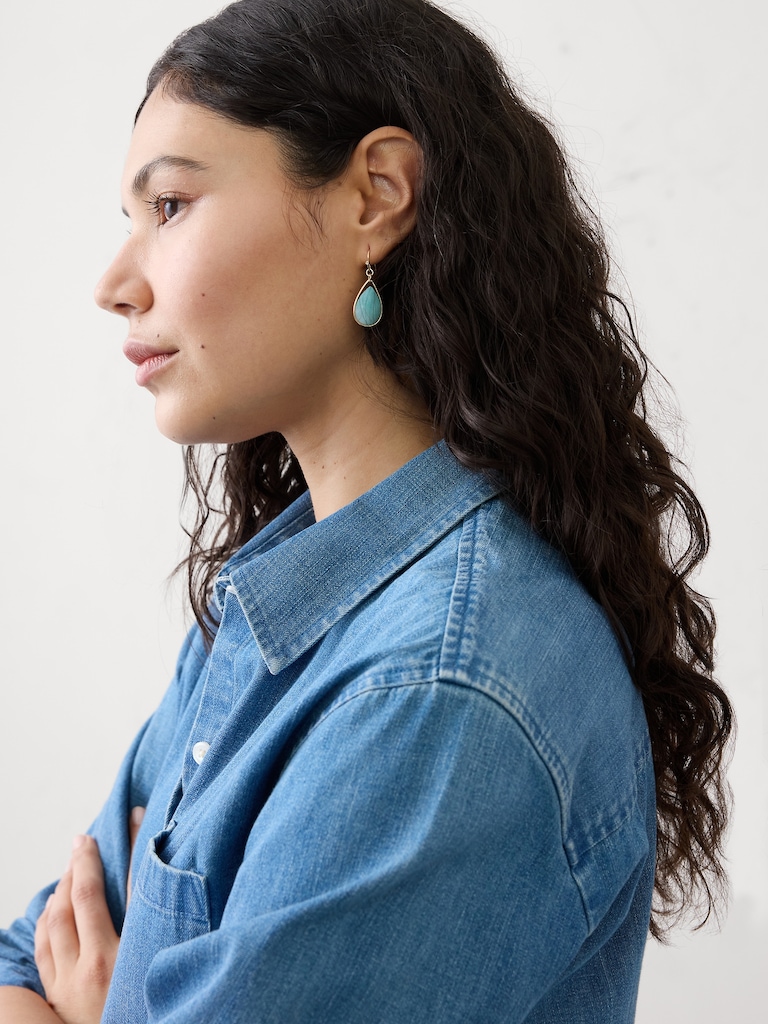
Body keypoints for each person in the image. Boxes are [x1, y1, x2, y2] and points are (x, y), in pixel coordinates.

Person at [0, 0, 733, 1021]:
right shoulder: (277, 606)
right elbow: (27, 950)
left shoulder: (438, 690)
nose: (115, 282)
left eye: (169, 206)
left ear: (375, 195)